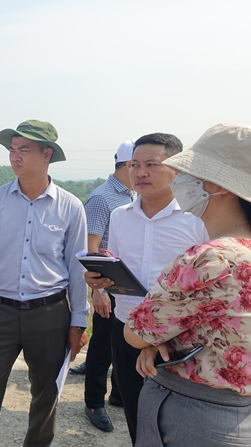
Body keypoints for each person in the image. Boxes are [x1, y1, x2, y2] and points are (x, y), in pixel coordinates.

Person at [0, 119, 89, 447]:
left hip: (50, 313)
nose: (15, 156)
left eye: (24, 150)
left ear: (46, 154)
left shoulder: (70, 207)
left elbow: (77, 270)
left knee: (47, 393)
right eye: (12, 150)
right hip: (0, 312)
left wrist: (79, 320)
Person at [124, 124, 251, 447]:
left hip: (194, 412)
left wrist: (154, 338)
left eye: (190, 175)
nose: (182, 182)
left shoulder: (210, 259)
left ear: (216, 186)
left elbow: (136, 333)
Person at [84, 133, 208, 444]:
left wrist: (160, 334)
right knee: (136, 419)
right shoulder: (119, 216)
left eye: (151, 164)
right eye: (134, 164)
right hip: (125, 329)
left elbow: (205, 288)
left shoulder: (197, 219)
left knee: (175, 426)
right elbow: (120, 267)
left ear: (177, 169)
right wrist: (99, 283)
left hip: (178, 342)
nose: (140, 172)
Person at [80, 140, 135, 432]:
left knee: (123, 344)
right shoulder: (102, 199)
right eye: (139, 165)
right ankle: (93, 402)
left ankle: (117, 394)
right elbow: (90, 250)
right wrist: (98, 291)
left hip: (127, 286)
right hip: (107, 287)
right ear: (128, 165)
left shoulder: (132, 195)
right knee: (102, 347)